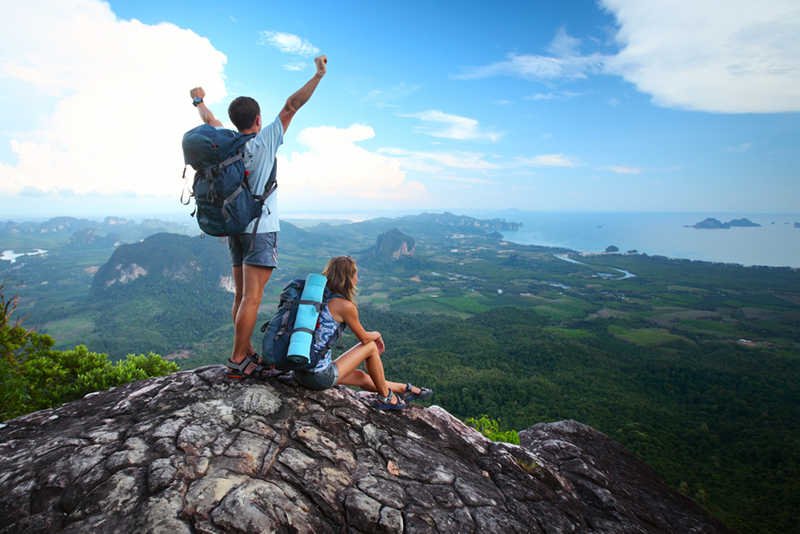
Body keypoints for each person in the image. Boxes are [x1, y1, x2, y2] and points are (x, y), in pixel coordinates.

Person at [190, 55, 328, 379]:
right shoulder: (265, 140)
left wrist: (198, 101)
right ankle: (239, 358)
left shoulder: (227, 144)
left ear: (235, 120)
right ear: (258, 118)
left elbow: (210, 122)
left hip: (235, 228)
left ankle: (246, 348)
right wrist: (318, 75)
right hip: (260, 230)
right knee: (253, 297)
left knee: (241, 296)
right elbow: (292, 105)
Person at [294, 256, 433, 410]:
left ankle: (405, 389)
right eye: (356, 274)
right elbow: (365, 338)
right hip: (318, 377)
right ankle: (387, 398)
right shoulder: (345, 306)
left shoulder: (315, 298)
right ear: (348, 278)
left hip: (299, 371)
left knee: (361, 376)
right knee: (371, 347)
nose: (357, 279)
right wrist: (378, 334)